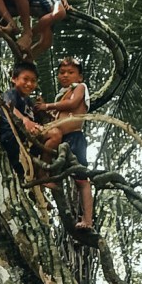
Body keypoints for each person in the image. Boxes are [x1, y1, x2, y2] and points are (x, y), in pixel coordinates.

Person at [36, 56, 94, 229]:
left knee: (82, 180)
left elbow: (73, 104)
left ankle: (88, 220)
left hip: (74, 138)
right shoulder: (61, 95)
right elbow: (58, 115)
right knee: (51, 170)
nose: (65, 75)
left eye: (71, 72)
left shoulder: (80, 88)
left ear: (80, 77)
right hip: (60, 139)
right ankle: (42, 187)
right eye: (62, 72)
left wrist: (47, 106)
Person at [0, 62, 61, 176]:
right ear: (14, 79)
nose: (29, 84)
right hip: (13, 137)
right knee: (55, 134)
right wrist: (25, 120)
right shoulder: (12, 93)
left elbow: (37, 121)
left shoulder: (27, 101)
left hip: (26, 139)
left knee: (57, 135)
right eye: (25, 79)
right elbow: (7, 105)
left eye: (33, 81)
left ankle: (39, 170)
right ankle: (42, 173)